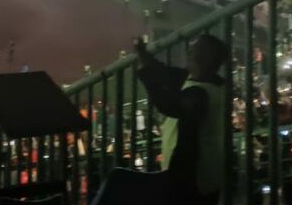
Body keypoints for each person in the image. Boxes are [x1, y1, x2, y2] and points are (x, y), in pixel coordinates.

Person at [92, 34, 227, 205]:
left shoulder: (200, 94)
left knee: (118, 181)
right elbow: (162, 70)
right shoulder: (203, 83)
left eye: (194, 50)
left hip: (194, 175)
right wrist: (142, 52)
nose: (188, 52)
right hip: (200, 173)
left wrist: (145, 75)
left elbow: (168, 105)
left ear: (206, 59)